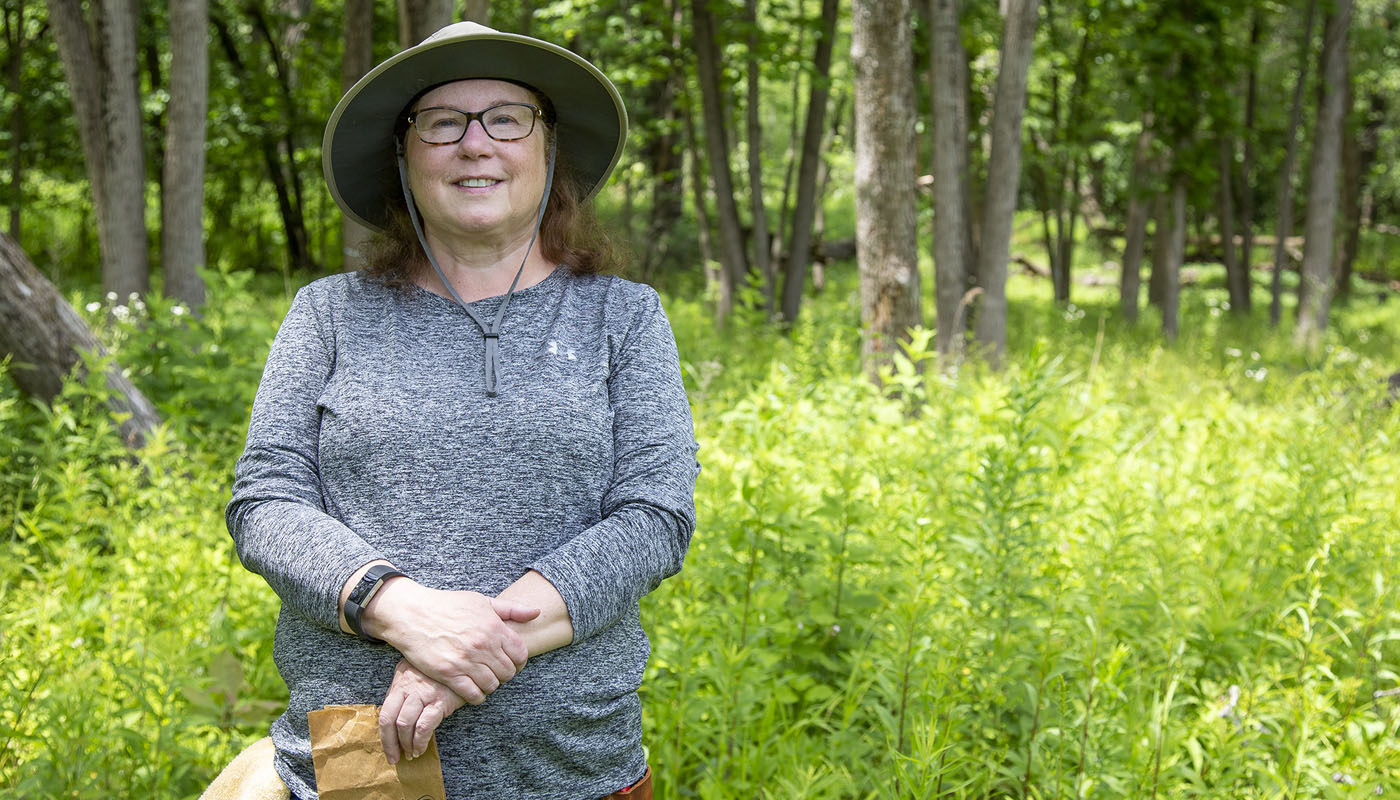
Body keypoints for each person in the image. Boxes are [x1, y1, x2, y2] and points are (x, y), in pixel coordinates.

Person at [227, 21, 699, 800]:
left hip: (574, 767)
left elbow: (655, 515)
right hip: (364, 755)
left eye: (507, 118)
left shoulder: (624, 316)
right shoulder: (328, 315)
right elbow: (266, 503)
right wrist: (402, 611)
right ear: (404, 159)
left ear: (548, 151)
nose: (475, 145)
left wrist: (467, 649)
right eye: (442, 123)